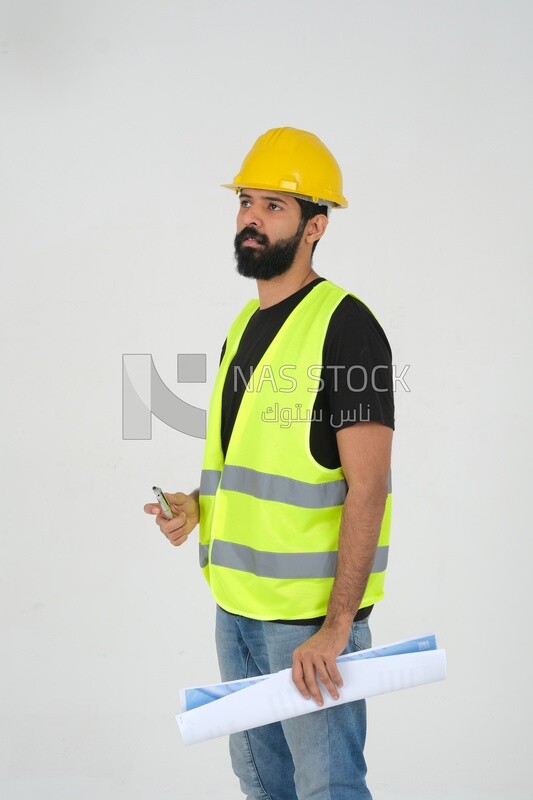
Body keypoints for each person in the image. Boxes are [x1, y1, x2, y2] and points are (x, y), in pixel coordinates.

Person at [145, 127, 394, 800]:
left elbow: (367, 487)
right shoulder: (243, 324)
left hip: (307, 626)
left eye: (274, 206)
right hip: (235, 608)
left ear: (315, 226)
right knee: (261, 785)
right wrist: (199, 506)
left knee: (328, 788)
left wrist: (337, 628)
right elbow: (247, 460)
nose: (251, 217)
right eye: (246, 201)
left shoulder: (347, 329)